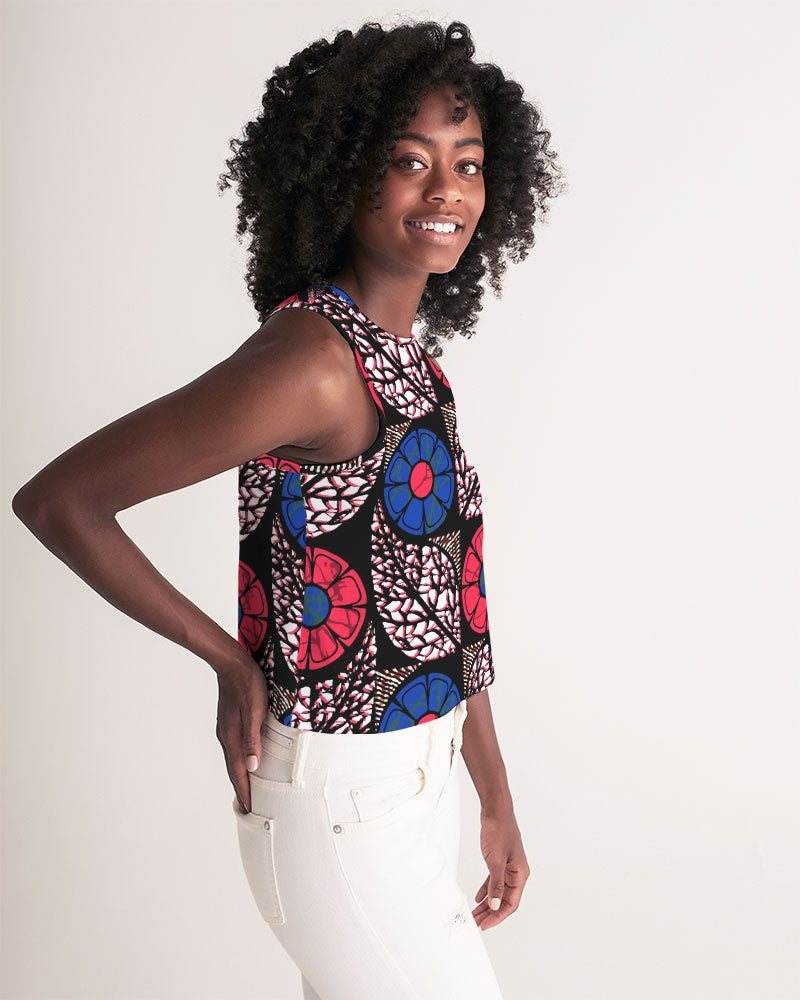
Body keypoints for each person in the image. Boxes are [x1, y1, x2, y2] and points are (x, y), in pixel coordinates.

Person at [12, 18, 562, 1000]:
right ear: (342, 174)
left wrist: (493, 789)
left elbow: (449, 601)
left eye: (468, 163)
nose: (447, 189)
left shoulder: (410, 364)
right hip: (342, 798)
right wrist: (229, 660)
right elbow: (62, 501)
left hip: (416, 782)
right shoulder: (313, 361)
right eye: (408, 160)